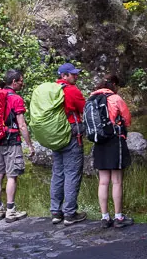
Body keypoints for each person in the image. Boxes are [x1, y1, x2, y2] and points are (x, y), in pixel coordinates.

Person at [90, 74, 134, 228]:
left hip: (99, 142)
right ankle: (118, 217)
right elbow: (127, 120)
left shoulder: (92, 98)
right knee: (116, 181)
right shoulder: (115, 99)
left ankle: (104, 217)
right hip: (115, 142)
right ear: (114, 84)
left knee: (103, 182)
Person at [0, 69, 35, 223]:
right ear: (14, 81)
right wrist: (29, 145)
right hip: (11, 140)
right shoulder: (15, 98)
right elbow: (22, 125)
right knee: (12, 176)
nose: (22, 83)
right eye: (21, 80)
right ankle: (10, 211)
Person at [50, 62, 87, 226]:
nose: (76, 76)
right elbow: (83, 108)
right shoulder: (72, 90)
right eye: (73, 74)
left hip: (55, 135)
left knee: (58, 173)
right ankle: (70, 214)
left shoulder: (51, 89)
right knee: (72, 173)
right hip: (72, 135)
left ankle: (56, 212)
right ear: (64, 75)